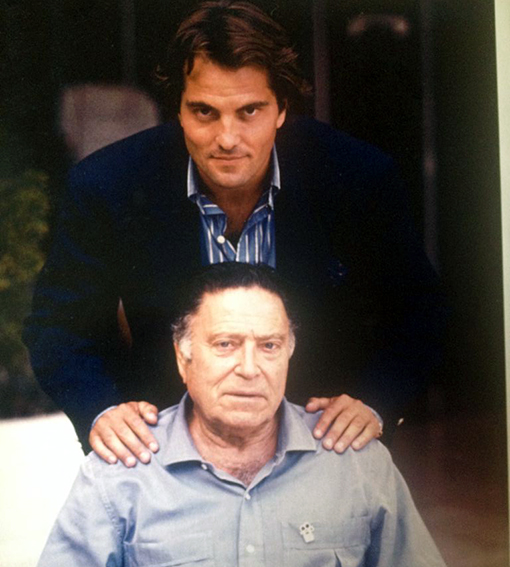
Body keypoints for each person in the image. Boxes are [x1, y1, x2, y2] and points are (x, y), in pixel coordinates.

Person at [24, 0, 446, 466]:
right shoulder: (108, 185)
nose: (227, 138)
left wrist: (375, 401)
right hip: (164, 452)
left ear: (281, 109)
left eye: (249, 111)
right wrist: (102, 411)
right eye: (204, 112)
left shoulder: (357, 177)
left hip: (322, 447)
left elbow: (420, 313)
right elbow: (58, 327)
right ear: (178, 110)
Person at [36, 263, 447, 567]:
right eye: (226, 344)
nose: (250, 369)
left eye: (269, 346)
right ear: (183, 359)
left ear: (289, 356)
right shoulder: (119, 477)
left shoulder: (356, 463)